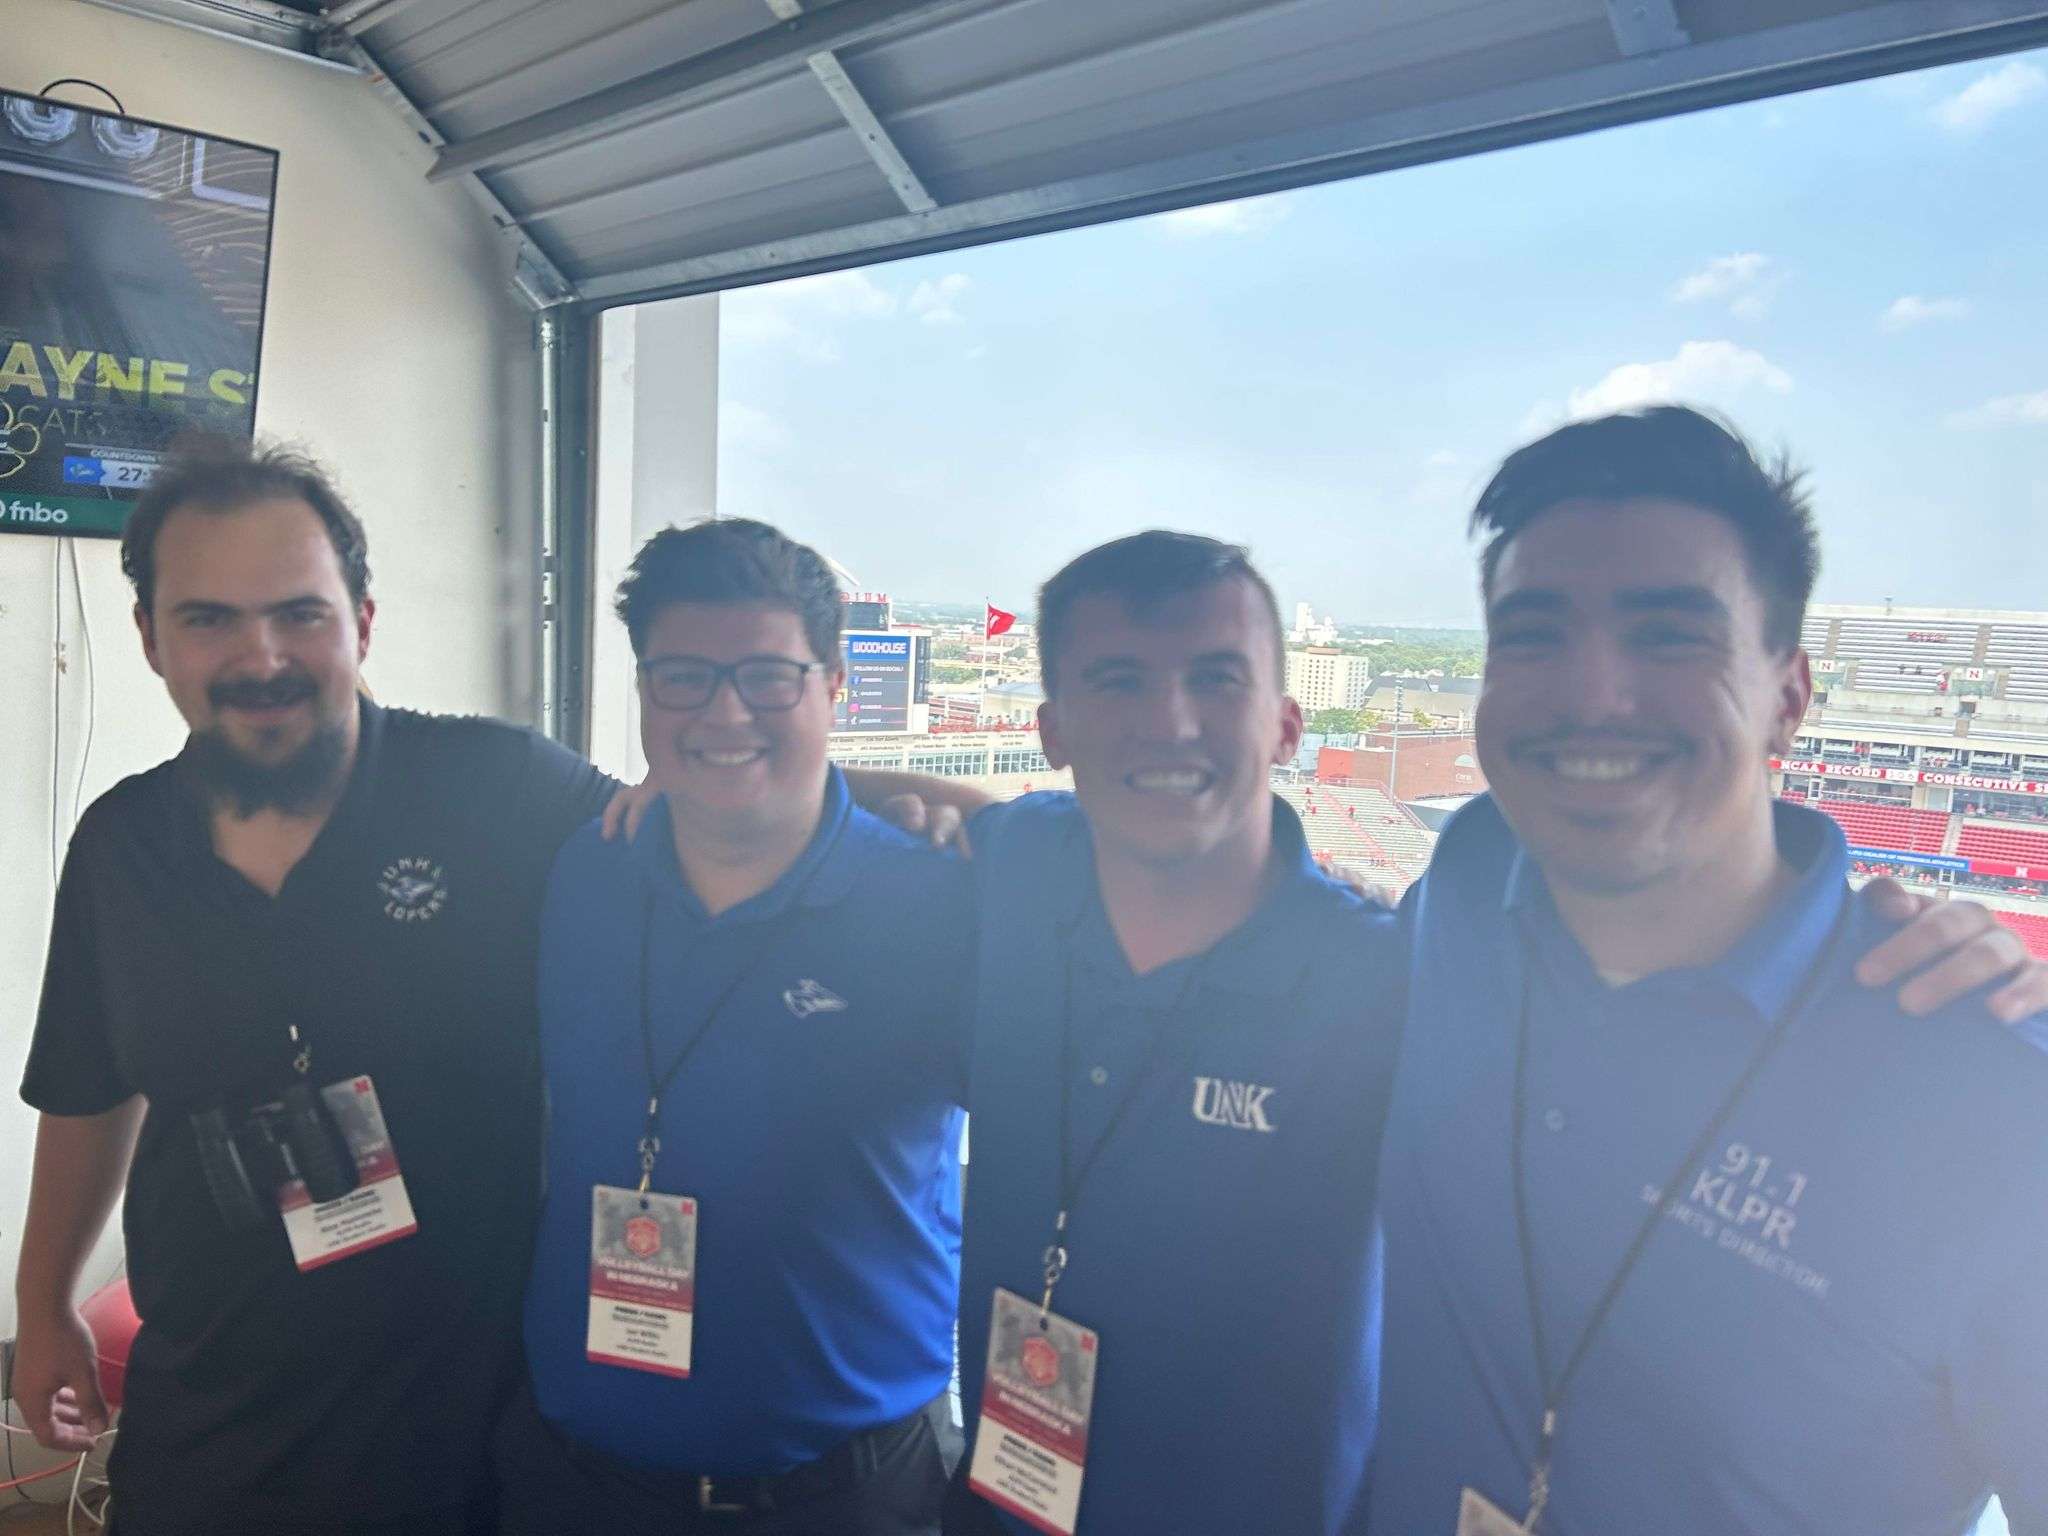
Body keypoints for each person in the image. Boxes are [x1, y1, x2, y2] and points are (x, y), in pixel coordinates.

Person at [847, 530, 2045, 1536]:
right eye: (1117, 684)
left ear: (1283, 725)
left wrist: (1900, 964)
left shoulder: (1399, 975)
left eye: (1215, 679)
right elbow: (865, 798)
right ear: (1052, 729)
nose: (1167, 723)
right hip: (1000, 1505)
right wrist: (672, 792)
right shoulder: (1009, 873)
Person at [1368, 406, 2048, 1535]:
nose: (1591, 694)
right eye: (1531, 635)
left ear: (1788, 691)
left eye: (1667, 636)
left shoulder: (1992, 1106)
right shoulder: (1462, 891)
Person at [12, 440, 618, 1535]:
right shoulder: (123, 844)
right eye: (208, 619)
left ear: (362, 623)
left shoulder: (495, 787)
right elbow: (88, 1086)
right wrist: (43, 1301)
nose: (261, 655)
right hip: (209, 1425)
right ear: (150, 639)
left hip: (465, 1439)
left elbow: (703, 826)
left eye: (300, 613)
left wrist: (911, 801)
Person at [497, 520, 972, 1533]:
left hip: (842, 1496)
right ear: (641, 692)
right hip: (578, 1484)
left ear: (835, 685)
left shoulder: (935, 903)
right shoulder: (582, 871)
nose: (723, 711)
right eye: (682, 677)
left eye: (767, 676)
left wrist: (934, 794)